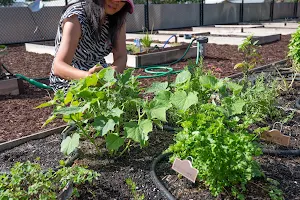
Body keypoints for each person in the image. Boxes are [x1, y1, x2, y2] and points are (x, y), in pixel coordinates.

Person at [49, 0, 134, 92]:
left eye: (122, 0)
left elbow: (121, 56)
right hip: (70, 81)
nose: (116, 2)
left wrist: (110, 74)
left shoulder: (117, 19)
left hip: (101, 79)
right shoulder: (76, 17)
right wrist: (89, 77)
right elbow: (58, 66)